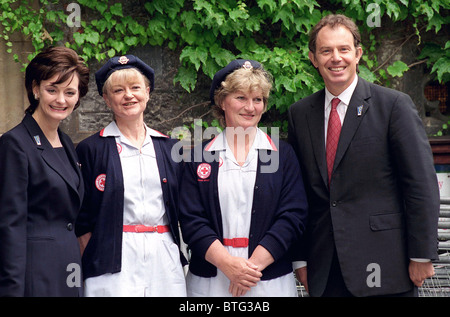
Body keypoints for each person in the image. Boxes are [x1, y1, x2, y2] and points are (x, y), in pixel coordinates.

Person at [288, 14, 440, 297]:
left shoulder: (393, 106)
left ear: (357, 54)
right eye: (326, 51)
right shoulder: (300, 114)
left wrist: (422, 255)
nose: (336, 58)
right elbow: (299, 193)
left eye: (344, 49)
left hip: (387, 266)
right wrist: (300, 257)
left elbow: (420, 184)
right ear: (313, 58)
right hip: (326, 270)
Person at [179, 59, 308, 297]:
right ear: (222, 102)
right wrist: (228, 265)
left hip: (268, 281)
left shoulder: (283, 155)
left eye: (257, 99)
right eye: (241, 97)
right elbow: (191, 220)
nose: (250, 107)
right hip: (210, 282)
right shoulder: (198, 156)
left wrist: (250, 269)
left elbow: (293, 216)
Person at [75, 55, 187, 296]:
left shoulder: (169, 148)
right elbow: (81, 217)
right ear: (106, 99)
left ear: (147, 92)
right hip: (112, 258)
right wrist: (93, 254)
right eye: (118, 90)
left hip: (163, 256)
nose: (129, 95)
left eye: (135, 87)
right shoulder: (91, 149)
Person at [0, 46, 89, 296]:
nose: (61, 100)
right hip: (34, 276)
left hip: (69, 272)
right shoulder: (15, 143)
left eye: (70, 92)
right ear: (36, 89)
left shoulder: (68, 144)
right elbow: (10, 227)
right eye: (52, 90)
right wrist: (11, 291)